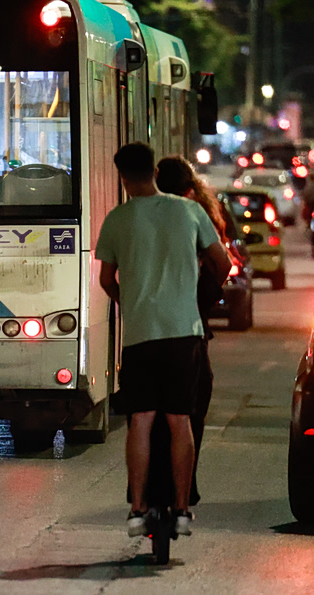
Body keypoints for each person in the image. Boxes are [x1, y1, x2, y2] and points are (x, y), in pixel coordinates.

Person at [96, 143, 231, 538]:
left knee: (140, 420)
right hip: (184, 333)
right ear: (154, 172)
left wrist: (129, 302)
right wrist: (193, 295)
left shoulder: (117, 219)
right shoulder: (189, 211)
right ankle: (183, 508)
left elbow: (106, 279)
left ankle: (137, 509)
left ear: (123, 178)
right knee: (179, 419)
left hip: (140, 335)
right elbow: (223, 263)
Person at [155, 155, 233, 506]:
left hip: (151, 329)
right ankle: (185, 488)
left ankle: (149, 492)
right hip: (192, 329)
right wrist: (206, 296)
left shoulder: (143, 215)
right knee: (190, 412)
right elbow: (224, 264)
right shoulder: (197, 214)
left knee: (148, 417)